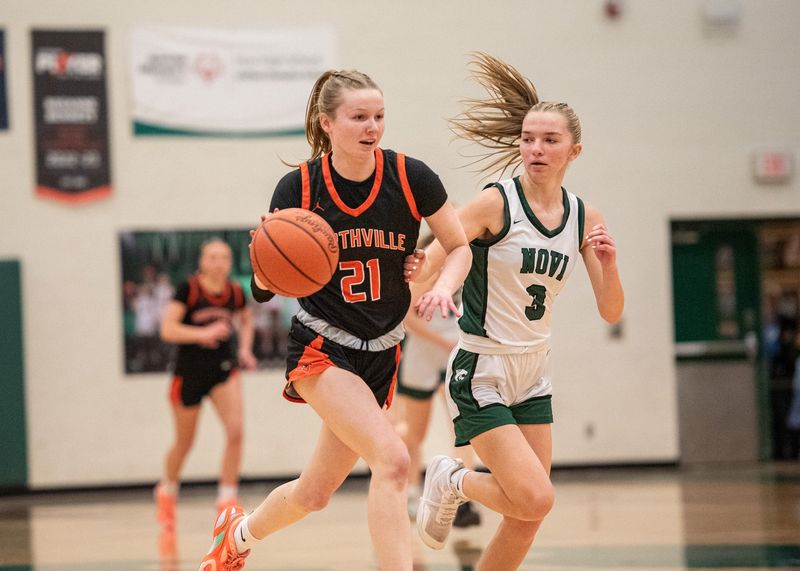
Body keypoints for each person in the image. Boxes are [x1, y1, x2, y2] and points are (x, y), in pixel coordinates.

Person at [197, 69, 471, 571]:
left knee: (315, 493)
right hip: (322, 348)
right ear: (328, 123)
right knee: (392, 461)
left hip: (383, 351)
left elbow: (458, 247)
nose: (372, 127)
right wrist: (268, 260)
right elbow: (264, 289)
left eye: (379, 116)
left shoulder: (412, 177)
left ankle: (235, 537)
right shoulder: (298, 186)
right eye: (359, 117)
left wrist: (439, 279)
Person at [414, 53, 624, 570]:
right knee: (537, 498)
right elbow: (438, 257)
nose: (535, 148)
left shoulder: (582, 215)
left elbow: (611, 311)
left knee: (528, 516)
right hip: (481, 367)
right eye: (528, 138)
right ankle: (453, 478)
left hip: (536, 369)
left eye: (549, 140)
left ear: (574, 150)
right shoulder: (495, 203)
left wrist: (609, 263)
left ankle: (455, 481)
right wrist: (438, 287)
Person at [155, 239, 257, 532]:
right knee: (185, 443)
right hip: (188, 374)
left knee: (236, 432)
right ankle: (167, 490)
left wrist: (245, 350)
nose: (219, 262)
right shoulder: (187, 289)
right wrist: (203, 333)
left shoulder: (235, 292)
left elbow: (247, 320)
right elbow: (167, 329)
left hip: (223, 371)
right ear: (202, 261)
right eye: (212, 257)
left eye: (224, 257)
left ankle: (227, 500)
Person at [396, 234, 481, 528]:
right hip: (422, 352)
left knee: (462, 427)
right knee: (414, 433)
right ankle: (408, 490)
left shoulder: (469, 264)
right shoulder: (422, 270)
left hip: (454, 354)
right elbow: (407, 317)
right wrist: (440, 341)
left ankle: (461, 498)